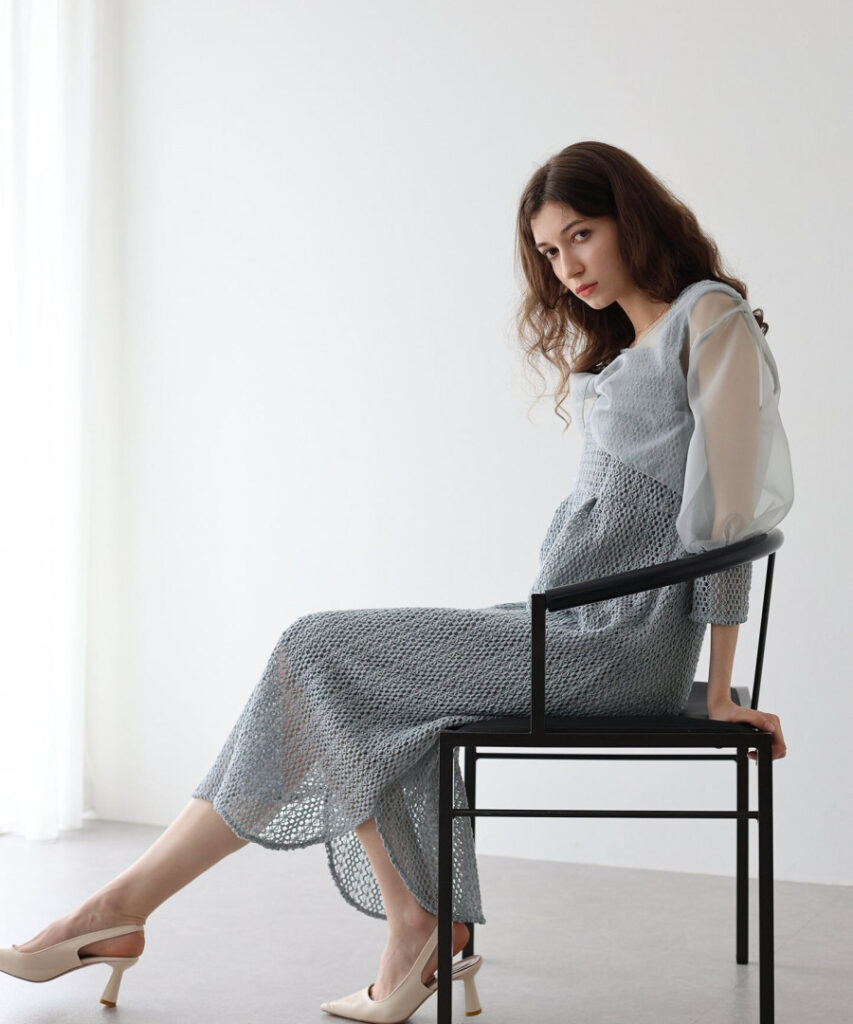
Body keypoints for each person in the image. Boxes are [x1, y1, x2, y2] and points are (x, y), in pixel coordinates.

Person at [0, 140, 793, 1022]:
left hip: (613, 647)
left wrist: (716, 694)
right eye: (548, 250)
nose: (567, 267)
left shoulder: (707, 317)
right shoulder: (628, 342)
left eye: (581, 234)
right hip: (560, 626)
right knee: (331, 678)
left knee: (317, 650)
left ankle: (140, 911)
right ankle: (397, 923)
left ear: (630, 219)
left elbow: (729, 521)